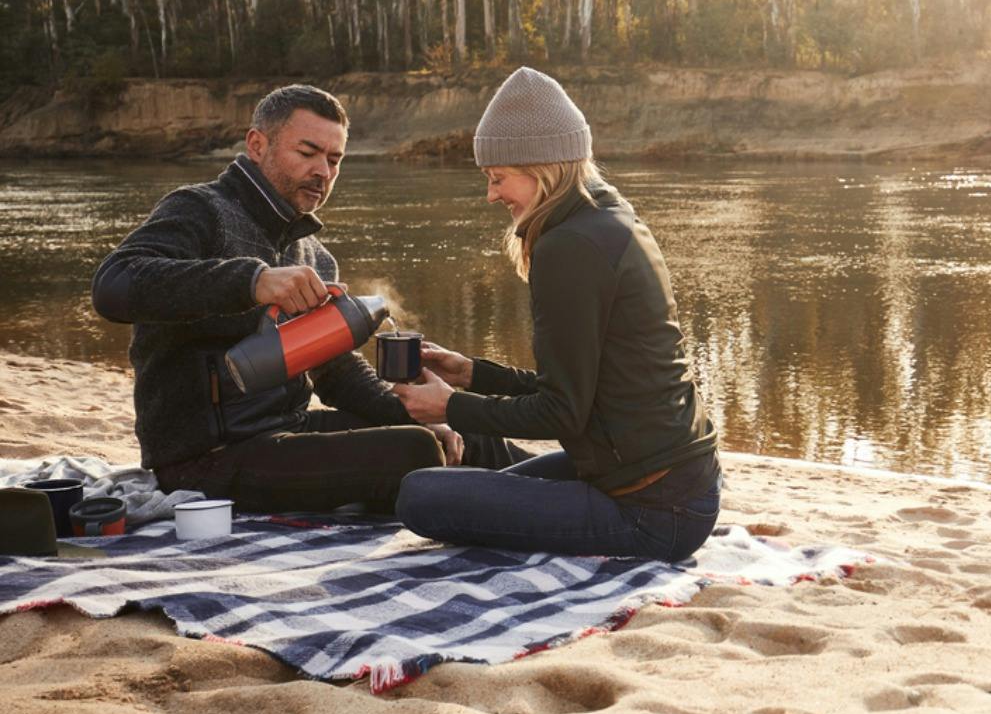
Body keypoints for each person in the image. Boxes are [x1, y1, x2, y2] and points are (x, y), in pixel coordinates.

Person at [389, 67, 721, 562]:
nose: (492, 194)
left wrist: (448, 407)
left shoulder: (569, 247)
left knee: (421, 496)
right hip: (669, 479)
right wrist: (472, 374)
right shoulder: (606, 215)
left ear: (541, 167)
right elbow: (578, 388)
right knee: (462, 488)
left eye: (498, 178)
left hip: (653, 509)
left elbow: (561, 411)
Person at [92, 84, 461, 513]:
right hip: (204, 456)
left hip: (291, 429)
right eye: (308, 153)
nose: (323, 170)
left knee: (454, 429)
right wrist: (253, 281)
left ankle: (551, 492)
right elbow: (113, 285)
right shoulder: (198, 209)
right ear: (257, 144)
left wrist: (412, 412)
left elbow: (334, 370)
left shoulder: (315, 256)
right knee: (413, 453)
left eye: (334, 159)